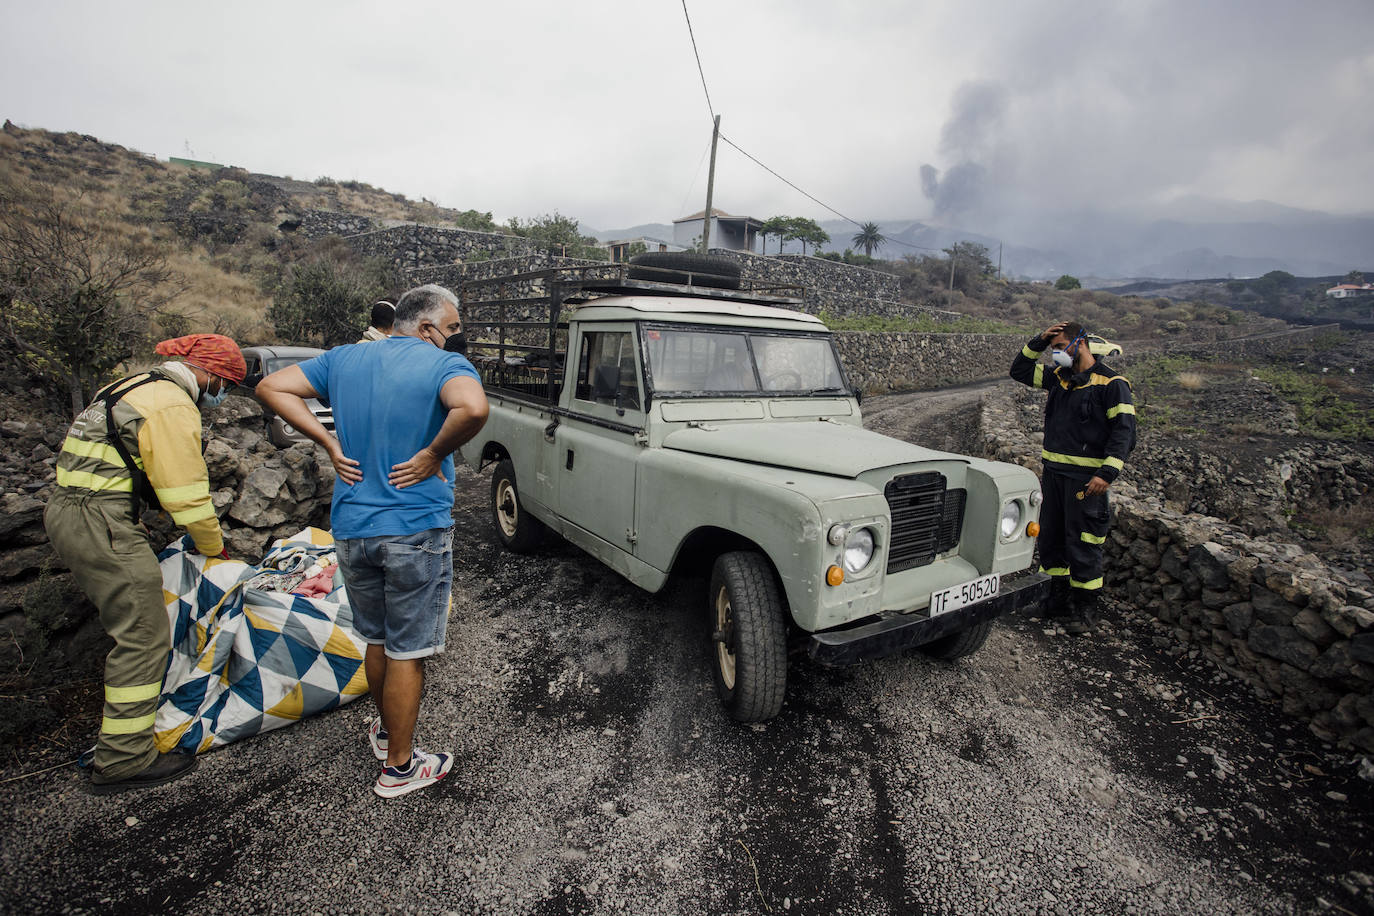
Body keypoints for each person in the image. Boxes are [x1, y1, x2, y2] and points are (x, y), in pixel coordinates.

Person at [257, 283, 488, 798]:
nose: (454, 339)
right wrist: (431, 455)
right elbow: (472, 410)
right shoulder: (444, 367)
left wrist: (327, 440)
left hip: (353, 529)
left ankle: (386, 735)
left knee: (378, 640)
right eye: (451, 329)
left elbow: (271, 388)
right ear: (427, 328)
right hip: (413, 530)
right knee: (408, 649)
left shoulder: (342, 361)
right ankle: (400, 769)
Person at [44, 333, 246, 794]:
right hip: (102, 521)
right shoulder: (173, 406)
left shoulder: (127, 387)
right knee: (141, 635)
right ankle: (122, 759)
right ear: (209, 373)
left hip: (70, 511)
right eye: (227, 384)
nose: (223, 394)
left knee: (135, 627)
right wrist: (214, 547)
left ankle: (123, 740)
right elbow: (188, 496)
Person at [1010, 320, 1136, 635]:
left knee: (1083, 543)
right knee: (1051, 540)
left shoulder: (1111, 384)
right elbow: (1020, 371)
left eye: (1058, 347)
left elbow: (1124, 433)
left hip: (1086, 481)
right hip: (1053, 474)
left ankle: (1086, 611)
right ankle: (1055, 601)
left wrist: (1107, 473)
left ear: (1079, 343)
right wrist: (1038, 340)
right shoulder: (1059, 378)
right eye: (1052, 349)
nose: (1055, 354)